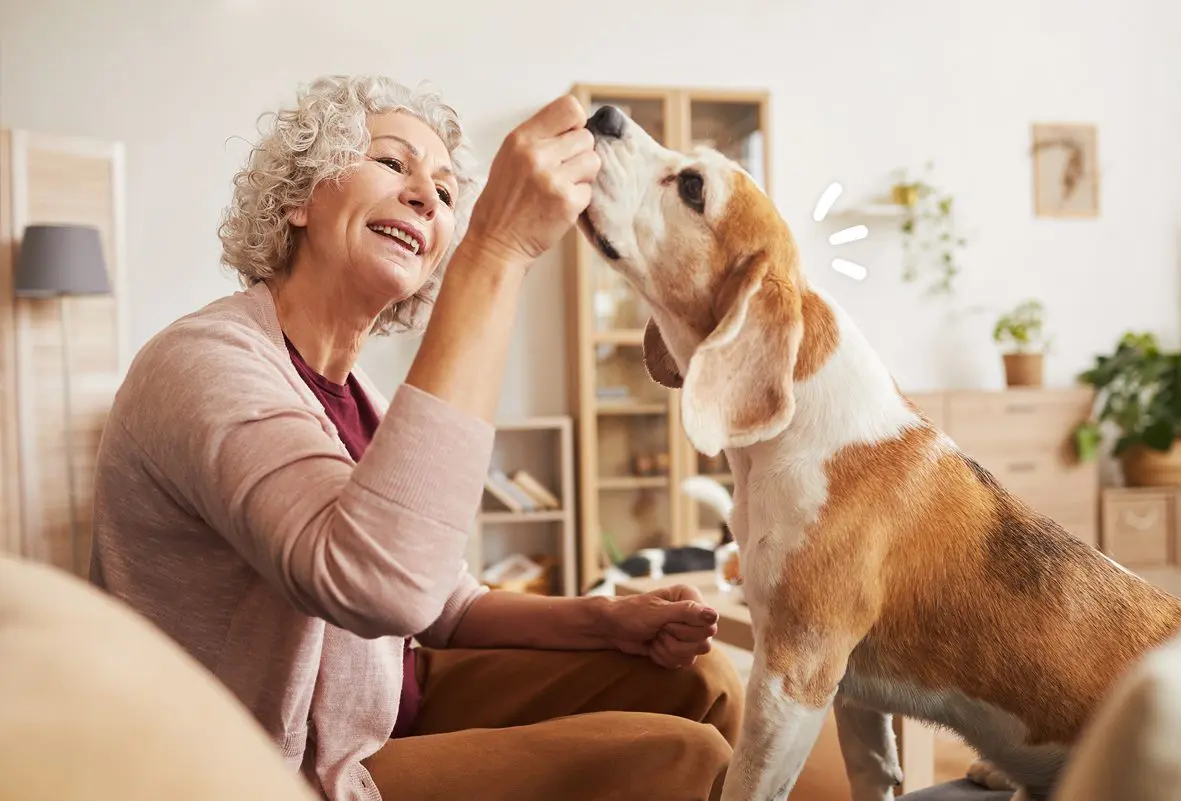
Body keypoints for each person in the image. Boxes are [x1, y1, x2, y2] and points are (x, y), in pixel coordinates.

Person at [88, 74, 744, 801]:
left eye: (446, 192)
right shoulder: (202, 363)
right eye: (394, 163)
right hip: (271, 769)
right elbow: (379, 584)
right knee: (678, 756)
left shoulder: (358, 394)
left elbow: (444, 601)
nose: (426, 197)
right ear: (299, 198)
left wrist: (606, 617)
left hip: (378, 703)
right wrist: (496, 247)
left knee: (703, 681)